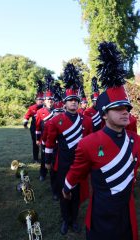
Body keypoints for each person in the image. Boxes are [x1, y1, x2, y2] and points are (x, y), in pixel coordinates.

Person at [62, 42, 140, 240]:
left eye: (127, 108)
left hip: (127, 214)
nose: (125, 112)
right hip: (101, 216)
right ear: (104, 114)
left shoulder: (136, 140)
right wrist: (67, 188)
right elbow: (77, 170)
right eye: (118, 108)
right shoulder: (88, 143)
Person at [45, 63, 93, 235]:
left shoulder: (86, 121)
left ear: (79, 102)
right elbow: (50, 143)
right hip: (63, 163)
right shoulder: (56, 121)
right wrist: (48, 161)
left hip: (80, 163)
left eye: (76, 100)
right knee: (65, 193)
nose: (73, 103)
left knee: (77, 193)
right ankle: (65, 220)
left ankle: (74, 220)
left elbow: (90, 142)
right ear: (65, 103)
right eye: (70, 100)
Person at [35, 74, 55, 181]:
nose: (50, 102)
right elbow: (38, 127)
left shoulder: (58, 111)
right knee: (43, 157)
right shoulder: (39, 112)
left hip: (55, 139)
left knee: (54, 157)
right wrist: (38, 139)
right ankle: (42, 173)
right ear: (45, 100)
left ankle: (53, 174)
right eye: (48, 100)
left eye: (51, 100)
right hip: (44, 138)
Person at [23, 80, 44, 163]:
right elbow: (27, 115)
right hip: (34, 128)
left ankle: (44, 157)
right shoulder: (32, 108)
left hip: (43, 128)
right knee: (35, 143)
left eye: (42, 99)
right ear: (36, 100)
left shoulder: (46, 108)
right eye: (39, 100)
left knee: (44, 143)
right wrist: (25, 122)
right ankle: (35, 158)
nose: (40, 101)